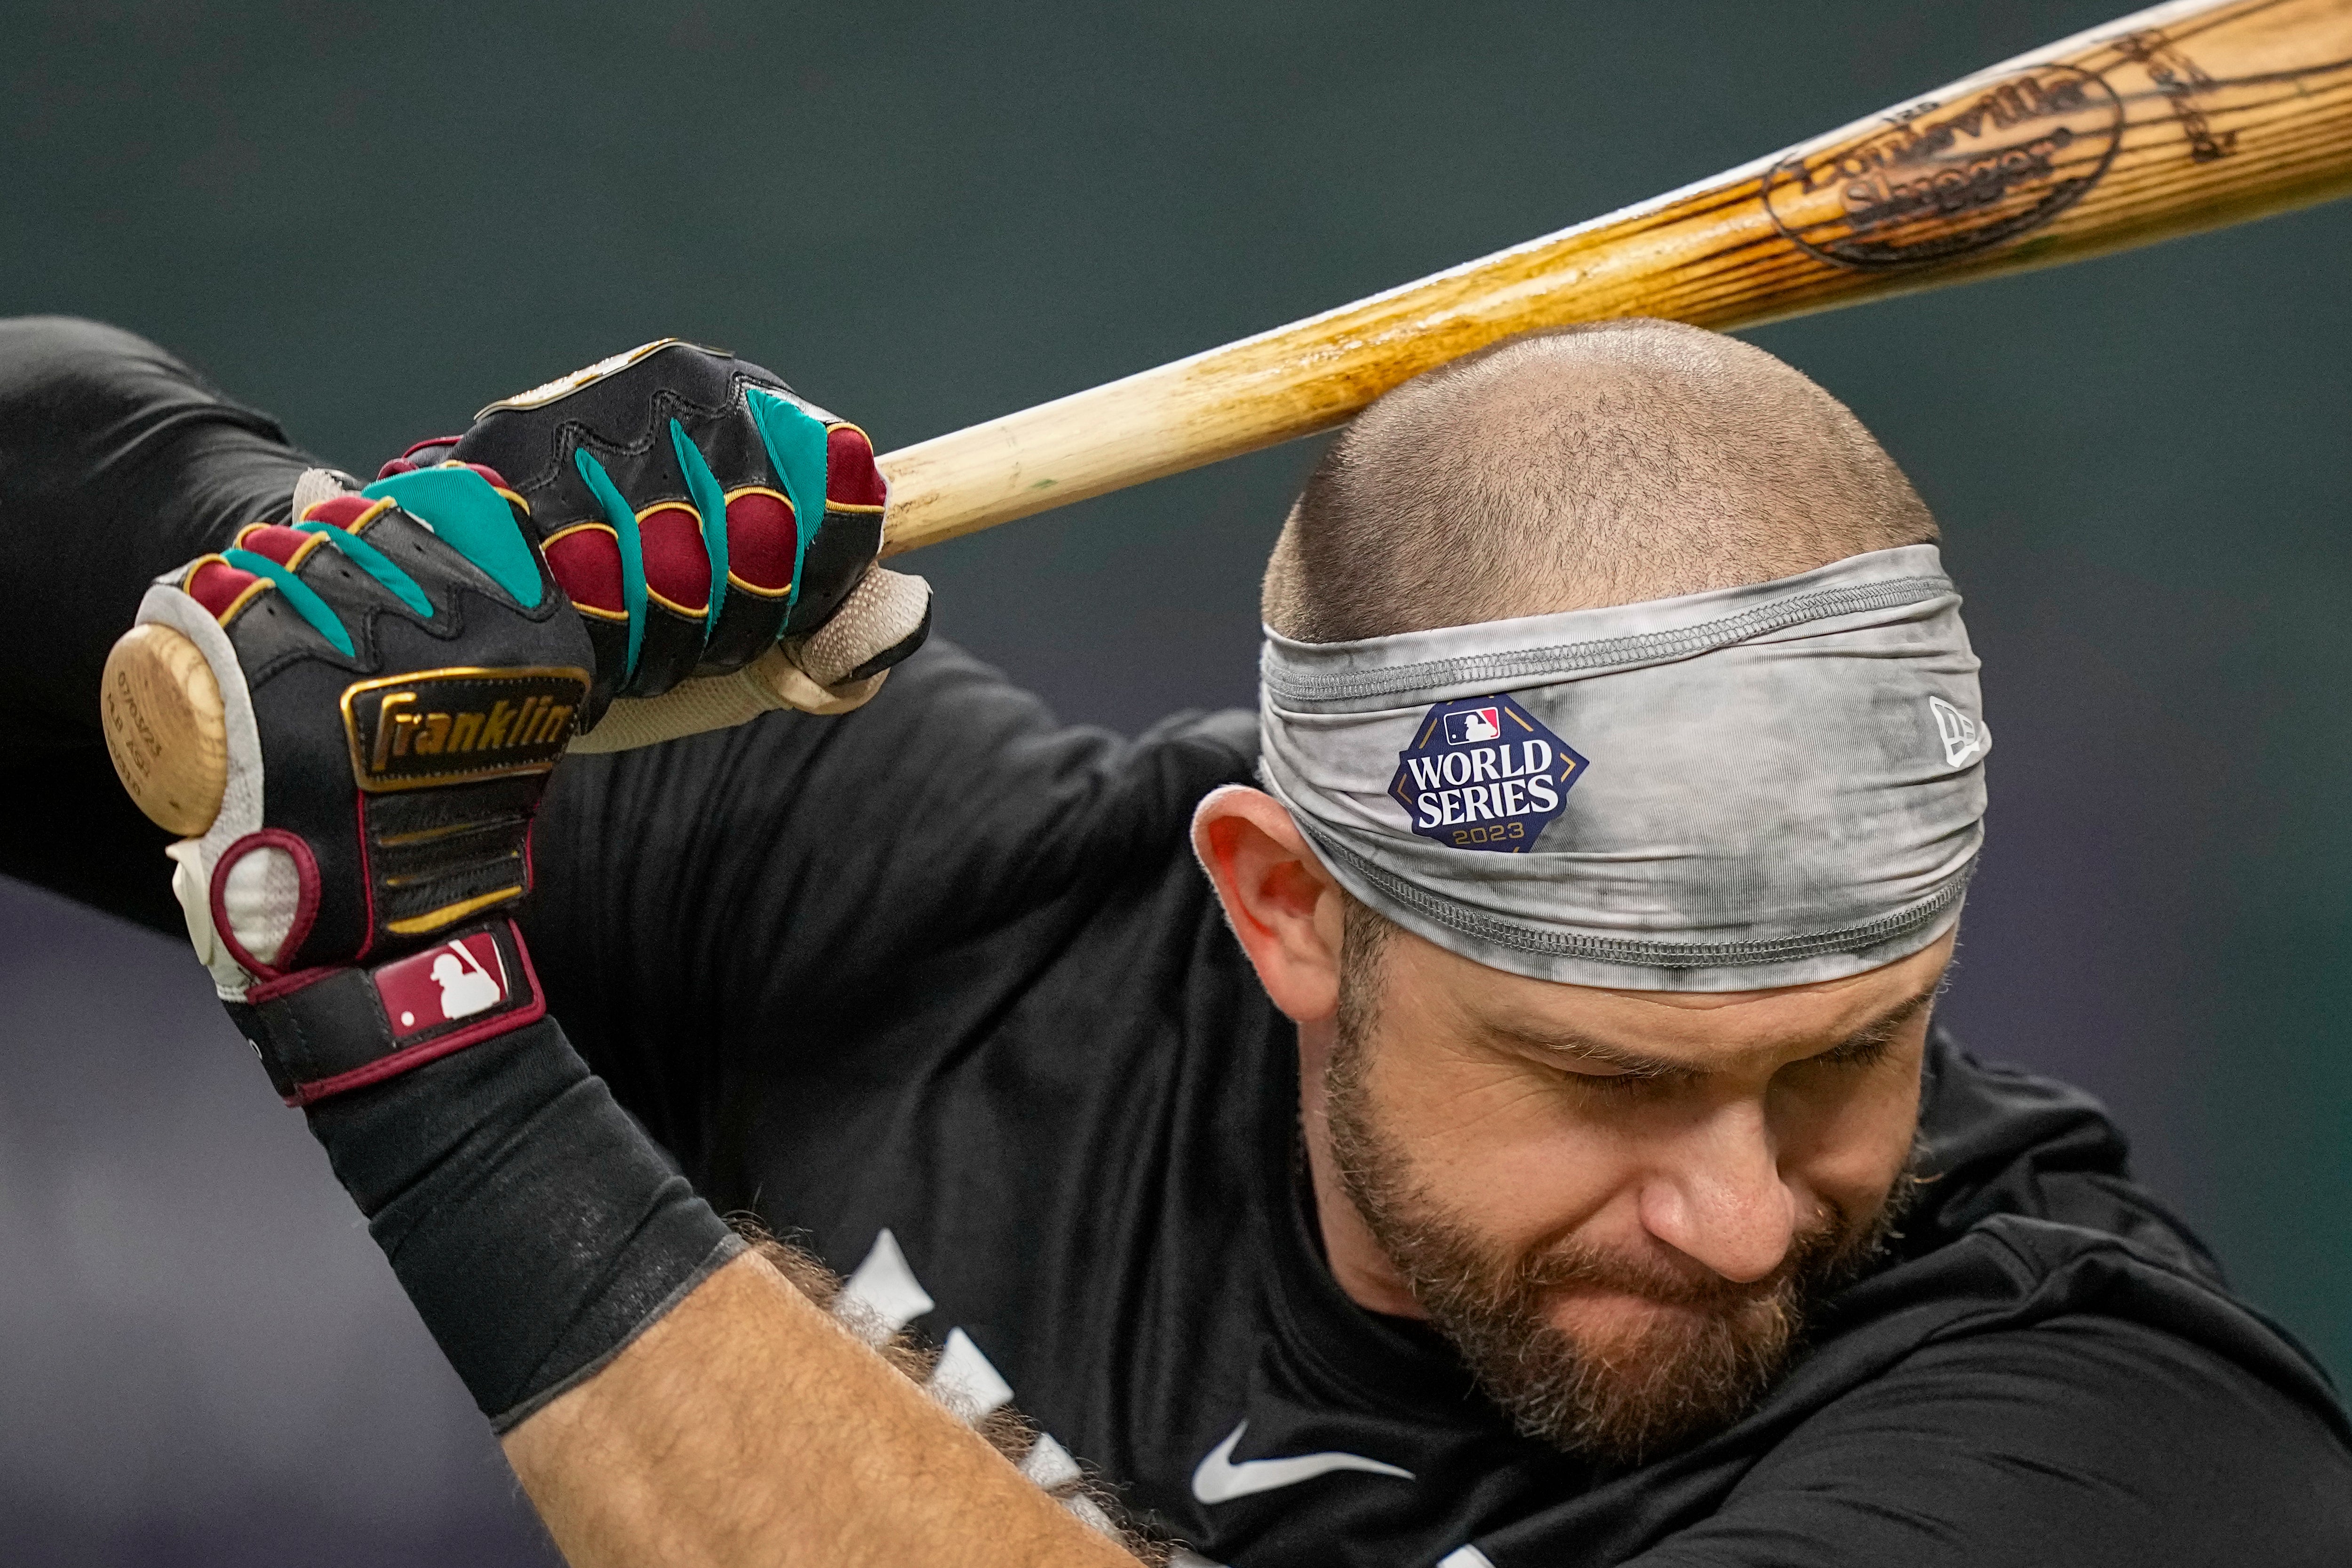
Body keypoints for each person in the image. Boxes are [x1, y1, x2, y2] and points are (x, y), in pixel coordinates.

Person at [3, 313, 2348, 1568]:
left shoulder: (2116, 1440)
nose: (1740, 1212)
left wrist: (432, 1048)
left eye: (1846, 1059)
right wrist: (362, 578)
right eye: (1605, 1079)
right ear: (1287, 907)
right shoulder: (941, 913)